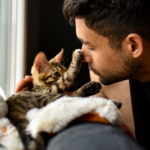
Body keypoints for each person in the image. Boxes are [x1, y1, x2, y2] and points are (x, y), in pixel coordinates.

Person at [16, 0, 150, 149]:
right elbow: (83, 112)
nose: (83, 57)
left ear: (133, 46)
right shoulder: (108, 82)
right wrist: (41, 101)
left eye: (91, 47)